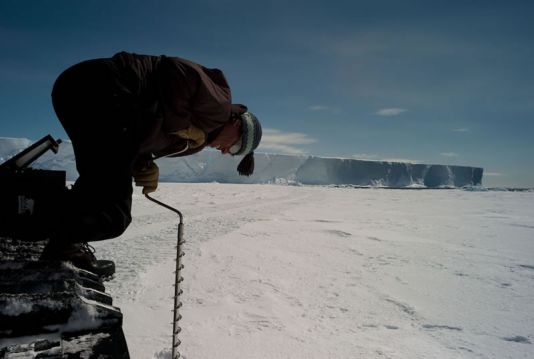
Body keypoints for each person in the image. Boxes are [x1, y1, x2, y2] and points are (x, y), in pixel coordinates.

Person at [40, 51, 262, 276]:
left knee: (98, 192)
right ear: (237, 125)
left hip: (83, 93)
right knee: (113, 214)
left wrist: (143, 164)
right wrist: (180, 126)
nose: (226, 152)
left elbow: (141, 140)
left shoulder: (196, 140)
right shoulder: (219, 105)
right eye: (235, 147)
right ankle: (33, 221)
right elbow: (174, 70)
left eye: (234, 154)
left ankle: (56, 238)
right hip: (103, 86)